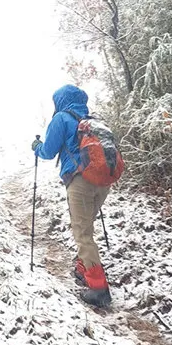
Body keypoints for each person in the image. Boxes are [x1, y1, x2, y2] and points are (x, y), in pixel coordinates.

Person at [32, 84, 112, 307]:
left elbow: (48, 151)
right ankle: (83, 267)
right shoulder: (94, 120)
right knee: (86, 226)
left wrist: (36, 146)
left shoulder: (62, 118)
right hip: (103, 181)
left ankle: (98, 288)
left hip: (79, 181)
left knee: (82, 233)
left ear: (59, 101)